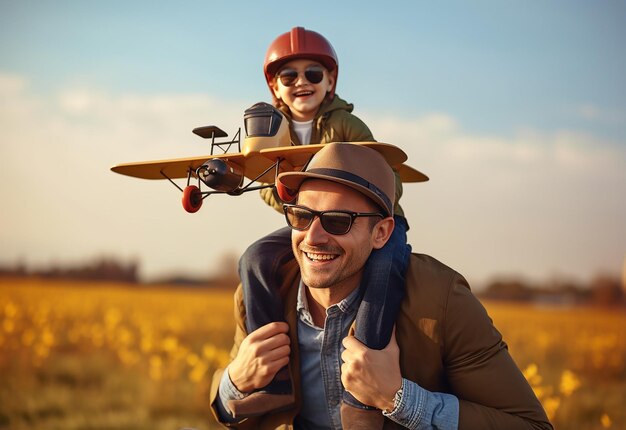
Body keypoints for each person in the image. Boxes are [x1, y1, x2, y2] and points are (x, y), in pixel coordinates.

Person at [210, 143, 553, 430]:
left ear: (382, 233)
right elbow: (233, 417)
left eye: (337, 221)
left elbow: (530, 425)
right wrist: (234, 384)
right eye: (301, 216)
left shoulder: (441, 300)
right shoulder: (264, 292)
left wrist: (398, 398)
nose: (312, 237)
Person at [238, 27, 414, 416]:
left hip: (372, 221)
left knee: (385, 270)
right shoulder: (270, 133)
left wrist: (358, 202)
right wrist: (298, 199)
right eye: (289, 76)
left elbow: (390, 179)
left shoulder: (348, 126)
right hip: (312, 221)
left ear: (330, 81)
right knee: (254, 257)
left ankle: (362, 389)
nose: (302, 82)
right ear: (275, 88)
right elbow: (271, 191)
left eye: (313, 74)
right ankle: (273, 375)